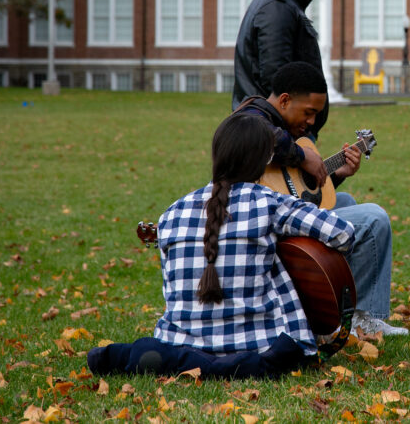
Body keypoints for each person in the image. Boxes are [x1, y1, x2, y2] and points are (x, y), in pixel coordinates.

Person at [87, 112, 355, 378]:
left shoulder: (171, 213)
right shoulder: (269, 202)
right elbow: (343, 232)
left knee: (157, 349)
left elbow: (170, 287)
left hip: (180, 339)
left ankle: (158, 358)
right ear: (267, 159)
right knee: (277, 352)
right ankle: (237, 363)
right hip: (259, 343)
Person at [238, 61, 408, 337]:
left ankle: (343, 307)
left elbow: (296, 190)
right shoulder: (251, 117)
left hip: (284, 214)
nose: (312, 122)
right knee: (374, 218)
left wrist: (336, 174)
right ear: (284, 100)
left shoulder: (274, 121)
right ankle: (355, 318)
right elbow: (261, 137)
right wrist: (305, 156)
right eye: (309, 112)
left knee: (346, 201)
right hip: (268, 226)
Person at [233, 0, 327, 139]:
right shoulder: (277, 7)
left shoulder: (279, 3)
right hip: (277, 137)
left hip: (281, 135)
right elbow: (277, 82)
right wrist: (293, 149)